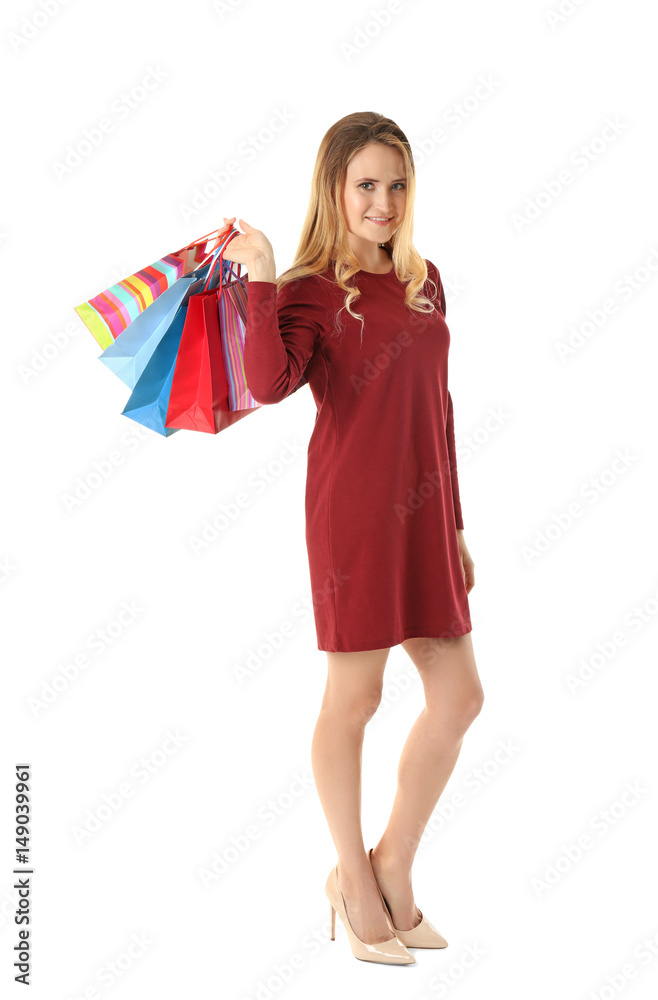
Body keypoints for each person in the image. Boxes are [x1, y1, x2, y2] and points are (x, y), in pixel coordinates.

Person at [220, 111, 485, 966]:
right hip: (356, 521)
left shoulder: (425, 279)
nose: (384, 201)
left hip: (425, 516)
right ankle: (352, 878)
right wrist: (261, 276)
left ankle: (390, 868)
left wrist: (454, 524)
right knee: (357, 701)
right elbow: (267, 383)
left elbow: (437, 411)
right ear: (335, 188)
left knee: (459, 698)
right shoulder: (307, 287)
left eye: (397, 184)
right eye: (367, 184)